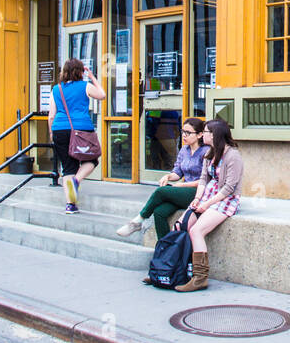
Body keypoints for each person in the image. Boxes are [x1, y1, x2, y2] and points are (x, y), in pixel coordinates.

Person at [174, 118, 243, 293]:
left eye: (205, 132)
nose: (202, 134)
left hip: (225, 199)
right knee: (180, 225)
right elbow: (204, 179)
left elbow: (229, 187)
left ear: (214, 135)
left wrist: (207, 204)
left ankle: (199, 278)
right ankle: (172, 268)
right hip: (207, 196)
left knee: (196, 231)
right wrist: (197, 199)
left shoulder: (232, 155)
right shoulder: (209, 153)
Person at [117, 116, 207, 239]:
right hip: (183, 191)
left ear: (199, 134)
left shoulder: (206, 152)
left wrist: (182, 185)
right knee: (159, 212)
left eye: (188, 133)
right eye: (183, 132)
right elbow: (177, 172)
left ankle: (138, 221)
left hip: (199, 193)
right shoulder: (184, 150)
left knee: (161, 191)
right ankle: (164, 249)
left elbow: (206, 180)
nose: (184, 135)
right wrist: (168, 176)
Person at [49, 59, 105, 215]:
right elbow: (102, 95)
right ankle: (76, 180)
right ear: (80, 72)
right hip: (82, 129)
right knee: (92, 159)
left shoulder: (56, 89)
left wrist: (52, 133)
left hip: (59, 129)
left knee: (68, 167)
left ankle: (70, 205)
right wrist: (92, 77)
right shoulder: (84, 86)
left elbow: (51, 115)